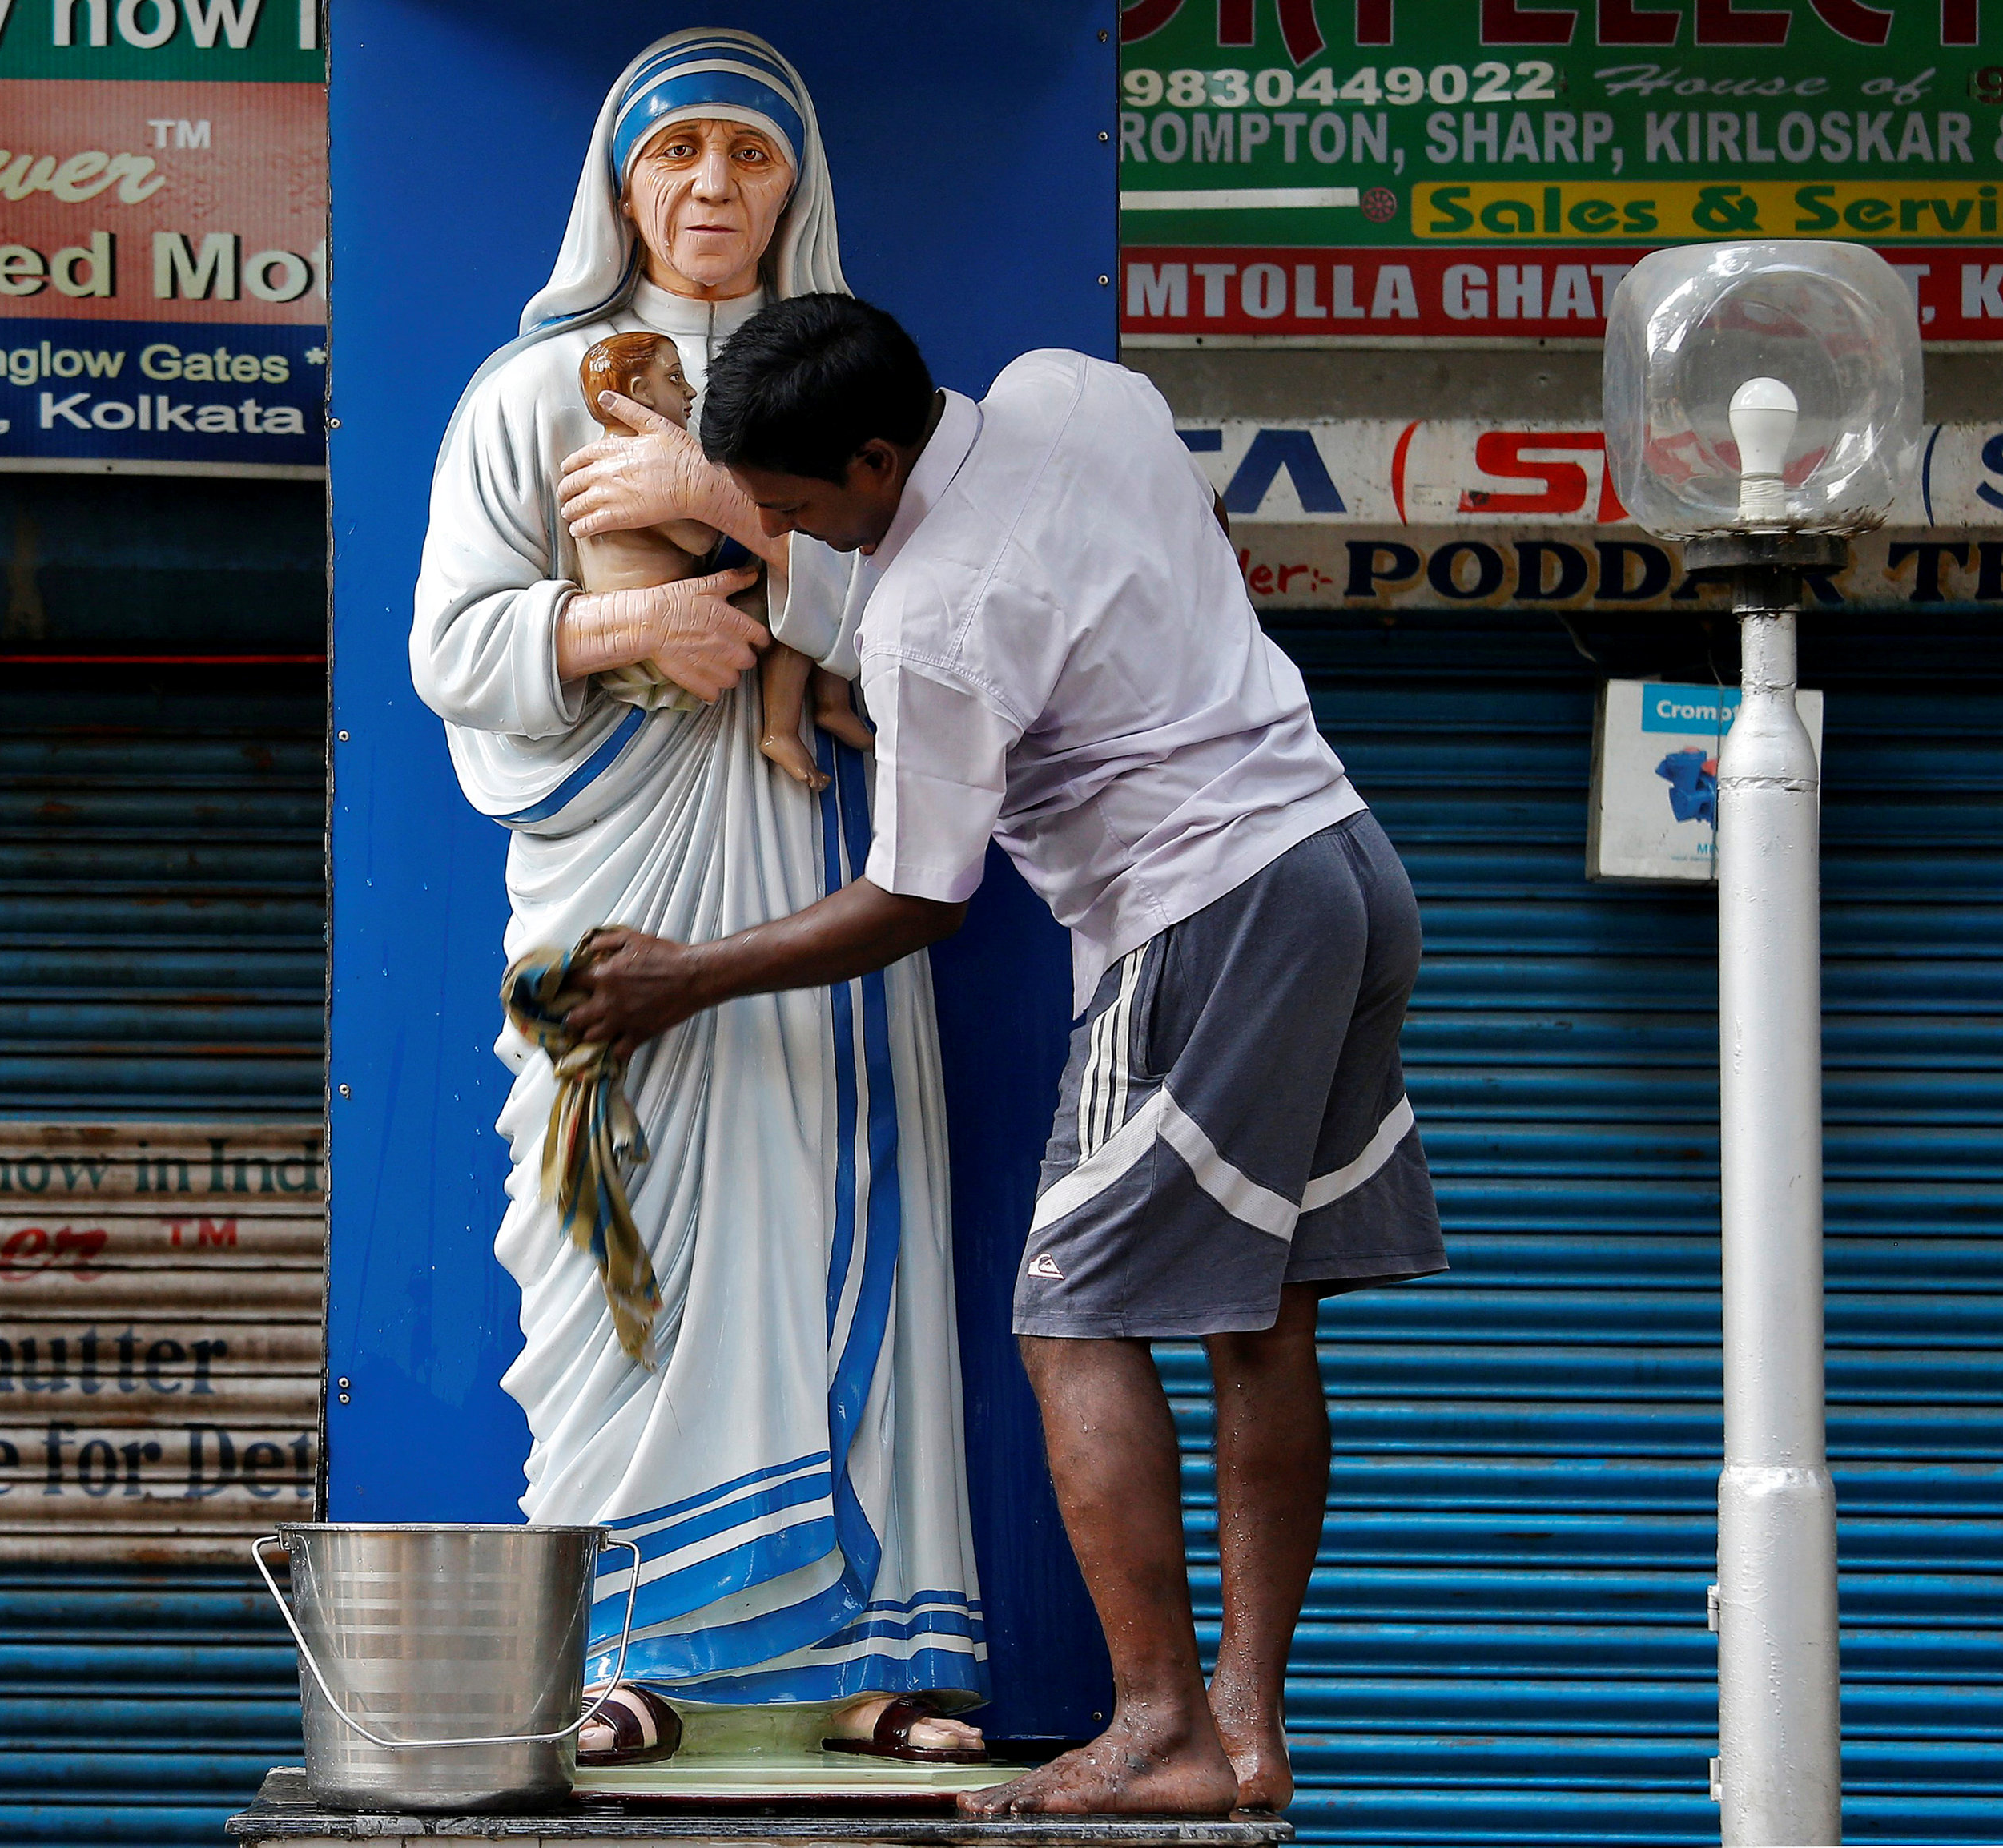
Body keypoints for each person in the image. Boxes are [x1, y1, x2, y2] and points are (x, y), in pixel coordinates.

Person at [560, 294, 1450, 1818]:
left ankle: (1160, 1724)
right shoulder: (1073, 390)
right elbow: (1114, 569)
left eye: (785, 510)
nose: (775, 534)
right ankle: (1242, 1731)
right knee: (1266, 1316)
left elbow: (918, 893)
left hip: (1203, 911)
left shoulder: (936, 623)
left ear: (876, 455)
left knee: (1069, 1317)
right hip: (1344, 866)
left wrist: (684, 979)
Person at [408, 32, 987, 1768]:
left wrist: (703, 497)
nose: (713, 191)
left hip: (815, 873)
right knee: (620, 1230)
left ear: (797, 180)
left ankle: (870, 1664)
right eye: (678, 158)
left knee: (836, 1219)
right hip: (614, 865)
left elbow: (942, 615)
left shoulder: (857, 383)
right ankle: (624, 1645)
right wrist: (625, 624)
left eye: (748, 155)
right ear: (620, 185)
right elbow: (449, 646)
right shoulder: (527, 395)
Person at [570, 330, 873, 789]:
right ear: (639, 393)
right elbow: (698, 541)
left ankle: (830, 708)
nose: (690, 391)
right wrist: (711, 500)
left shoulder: (606, 456)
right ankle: (787, 727)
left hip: (677, 612)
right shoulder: (631, 465)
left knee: (807, 575)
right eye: (675, 379)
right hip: (660, 641)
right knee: (793, 596)